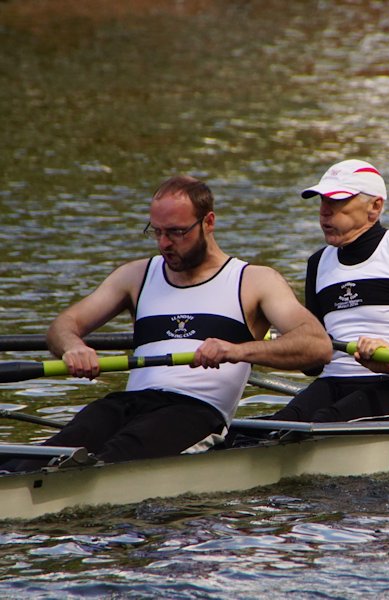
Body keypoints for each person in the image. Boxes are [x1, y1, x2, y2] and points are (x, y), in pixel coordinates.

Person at [4, 175, 333, 471]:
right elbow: (63, 325)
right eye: (156, 231)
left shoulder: (253, 281)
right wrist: (73, 346)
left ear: (208, 222)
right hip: (129, 404)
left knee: (110, 462)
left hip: (196, 413)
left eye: (176, 232)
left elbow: (316, 345)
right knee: (38, 460)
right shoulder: (136, 276)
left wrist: (238, 351)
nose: (164, 244)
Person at [270, 159, 389, 423]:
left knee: (325, 421)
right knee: (268, 427)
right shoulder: (318, 262)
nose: (324, 211)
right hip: (332, 382)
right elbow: (314, 366)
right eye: (322, 201)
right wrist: (291, 343)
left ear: (375, 207)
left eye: (336, 202)